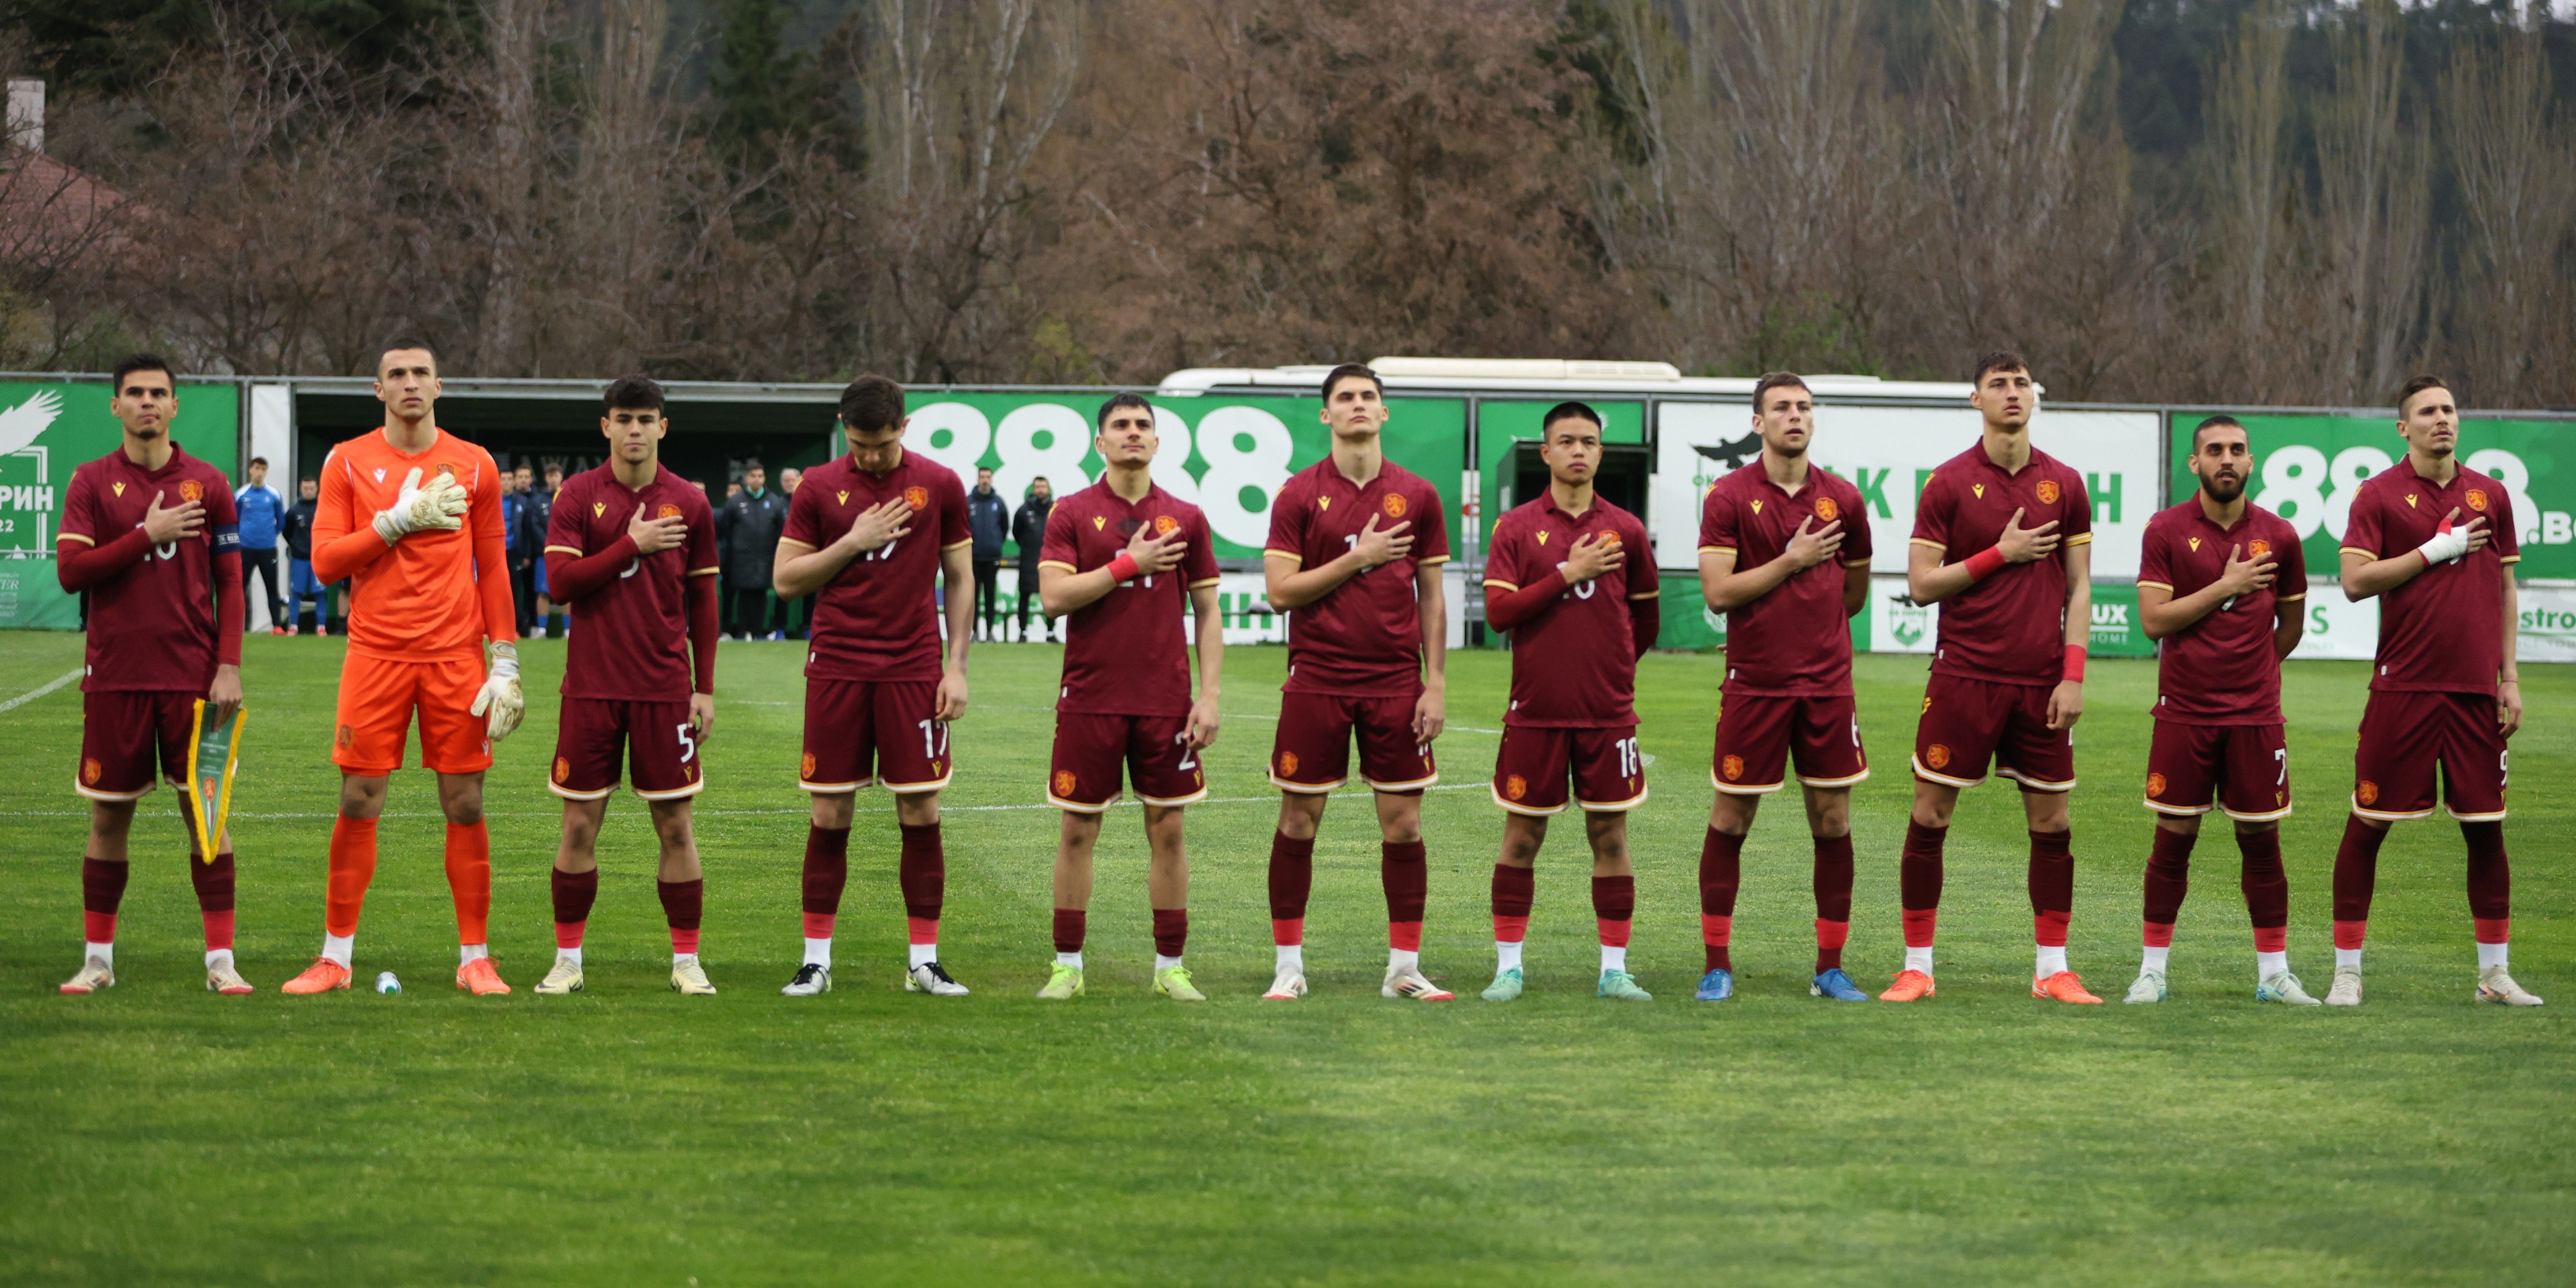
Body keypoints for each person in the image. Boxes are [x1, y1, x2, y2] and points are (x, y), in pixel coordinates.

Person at [279, 340, 525, 996]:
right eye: (397, 374)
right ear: (378, 389)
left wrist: (504, 656)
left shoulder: (476, 464)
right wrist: (393, 523)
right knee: (359, 797)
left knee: (465, 800)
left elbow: (493, 565)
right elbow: (325, 562)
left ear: (439, 386)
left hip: (455, 656)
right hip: (375, 654)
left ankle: (475, 957)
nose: (410, 382)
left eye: (421, 373)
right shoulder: (346, 460)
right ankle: (335, 957)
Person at [1887, 351, 2098, 1004]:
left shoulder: (2065, 483)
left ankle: (2052, 968)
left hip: (2041, 683)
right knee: (1930, 812)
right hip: (1963, 676)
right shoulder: (1947, 483)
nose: (2012, 393)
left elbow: (2079, 587)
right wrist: (1999, 554)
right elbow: (1921, 584)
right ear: (1974, 399)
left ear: (2034, 396)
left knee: (2052, 822)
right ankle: (1916, 966)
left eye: (2021, 383)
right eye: (1997, 384)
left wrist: (2072, 675)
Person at [2328, 376, 2540, 1007]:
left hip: (2474, 692)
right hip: (2403, 688)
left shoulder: (2490, 494)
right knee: (2367, 825)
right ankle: (2346, 972)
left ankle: (2494, 974)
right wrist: (2434, 549)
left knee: (2486, 831)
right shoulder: (2377, 494)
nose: (2441, 418)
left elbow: (2504, 589)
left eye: (2448, 408)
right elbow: (2354, 581)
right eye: (2426, 411)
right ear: (2404, 428)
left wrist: (2508, 677)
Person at [53, 353, 251, 996]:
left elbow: (230, 582)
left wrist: (228, 666)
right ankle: (98, 960)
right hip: (115, 678)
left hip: (194, 681)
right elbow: (71, 573)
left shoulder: (210, 483)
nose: (147, 402)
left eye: (158, 393)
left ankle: (221, 961)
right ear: (115, 405)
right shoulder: (90, 481)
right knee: (109, 820)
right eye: (135, 392)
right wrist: (148, 532)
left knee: (207, 818)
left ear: (174, 406)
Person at [771, 376, 976, 998]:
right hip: (836, 666)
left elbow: (960, 576)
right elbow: (786, 579)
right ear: (844, 428)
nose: (871, 456)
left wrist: (957, 665)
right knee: (830, 812)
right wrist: (853, 541)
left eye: (883, 445)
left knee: (920, 808)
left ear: (903, 428)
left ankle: (924, 961)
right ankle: (815, 961)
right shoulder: (817, 485)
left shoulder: (939, 483)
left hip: (913, 668)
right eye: (859, 444)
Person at [1258, 363, 1453, 1002]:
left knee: (1404, 826)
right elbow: (1280, 591)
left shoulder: (1418, 494)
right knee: (1297, 822)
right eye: (1345, 397)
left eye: (1368, 396)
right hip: (1316, 678)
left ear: (1384, 411)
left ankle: (1403, 969)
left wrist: (1435, 682)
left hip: (1396, 682)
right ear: (1326, 415)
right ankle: (1288, 965)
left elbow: (1431, 596)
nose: (1358, 404)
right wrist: (1357, 557)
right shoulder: (1297, 494)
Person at [535, 377, 724, 997]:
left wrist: (704, 687)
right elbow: (560, 585)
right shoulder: (577, 494)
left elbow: (703, 600)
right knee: (578, 828)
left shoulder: (689, 502)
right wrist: (630, 545)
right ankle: (567, 960)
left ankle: (687, 960)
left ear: (663, 427)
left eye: (646, 419)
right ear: (606, 426)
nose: (635, 429)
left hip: (665, 689)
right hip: (590, 688)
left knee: (675, 827)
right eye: (624, 418)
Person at [1033, 394, 1223, 1001]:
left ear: (1157, 442)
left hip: (1166, 701)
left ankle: (1170, 967)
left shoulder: (1187, 516)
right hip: (1090, 697)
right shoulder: (1070, 512)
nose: (1133, 432)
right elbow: (1054, 598)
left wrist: (1209, 694)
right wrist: (1128, 563)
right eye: (1120, 425)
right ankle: (1067, 965)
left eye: (1143, 425)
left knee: (1168, 831)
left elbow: (1208, 610)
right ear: (1101, 442)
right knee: (1077, 830)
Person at [1695, 373, 1875, 1004]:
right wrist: (1791, 562)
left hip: (1826, 687)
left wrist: (1812, 627)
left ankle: (1829, 968)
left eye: (1802, 407)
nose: (1793, 416)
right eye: (1780, 408)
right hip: (1755, 686)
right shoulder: (1727, 495)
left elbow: (1853, 592)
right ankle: (1716, 965)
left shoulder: (1843, 499)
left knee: (1832, 819)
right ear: (1758, 422)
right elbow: (1717, 592)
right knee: (1730, 817)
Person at [2124, 415, 2314, 1005]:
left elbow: (2290, 626)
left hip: (2255, 716)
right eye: (2213, 450)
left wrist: (2251, 670)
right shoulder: (2164, 529)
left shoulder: (2280, 535)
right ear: (2195, 462)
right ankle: (2151, 972)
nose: (2225, 458)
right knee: (2172, 840)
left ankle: (2274, 974)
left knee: (2261, 842)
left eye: (2236, 449)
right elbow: (2153, 621)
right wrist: (2226, 586)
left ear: (2250, 461)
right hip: (2183, 712)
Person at [1477, 402, 1661, 1002]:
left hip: (1608, 715)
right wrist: (1568, 572)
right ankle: (1509, 967)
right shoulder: (1514, 527)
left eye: (1588, 441)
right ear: (1545, 452)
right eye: (1566, 441)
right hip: (1535, 713)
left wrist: (1611, 670)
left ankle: (1614, 970)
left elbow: (1645, 620)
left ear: (1600, 453)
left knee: (1610, 838)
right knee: (1521, 839)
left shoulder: (1627, 529)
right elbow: (1499, 613)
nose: (1577, 450)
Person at [720, 460, 787, 640]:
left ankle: (758, 632)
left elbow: (780, 530)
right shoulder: (735, 502)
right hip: (742, 558)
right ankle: (743, 632)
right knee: (744, 595)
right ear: (747, 479)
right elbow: (726, 528)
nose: (757, 479)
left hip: (765, 557)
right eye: (753, 476)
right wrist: (738, 546)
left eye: (760, 476)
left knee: (760, 594)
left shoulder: (775, 502)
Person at [234, 455, 288, 635]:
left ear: (266, 472)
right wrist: (243, 537)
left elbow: (281, 521)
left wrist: (270, 536)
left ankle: (277, 627)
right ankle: (236, 626)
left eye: (263, 469)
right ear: (251, 470)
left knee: (272, 588)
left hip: (268, 550)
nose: (260, 473)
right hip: (246, 549)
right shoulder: (241, 495)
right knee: (240, 588)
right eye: (257, 468)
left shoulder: (274, 495)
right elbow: (235, 519)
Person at [967, 466, 1009, 641]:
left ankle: (990, 631)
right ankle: (975, 632)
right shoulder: (969, 502)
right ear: (978, 479)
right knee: (973, 597)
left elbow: (1004, 527)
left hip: (992, 558)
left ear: (991, 480)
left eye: (988, 477)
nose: (985, 480)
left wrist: (996, 544)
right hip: (973, 558)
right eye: (982, 477)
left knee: (990, 596)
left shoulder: (998, 503)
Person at [1012, 476, 1055, 642]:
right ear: (1033, 489)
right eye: (1037, 487)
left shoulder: (1055, 510)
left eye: (1043, 487)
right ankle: (1023, 632)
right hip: (1029, 560)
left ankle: (1050, 633)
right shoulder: (1024, 511)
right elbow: (1017, 533)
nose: (1040, 490)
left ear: (1048, 489)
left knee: (1050, 596)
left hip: (1049, 561)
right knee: (1025, 596)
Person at [284, 477, 325, 634]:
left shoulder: (323, 509)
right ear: (301, 489)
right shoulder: (294, 511)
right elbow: (286, 531)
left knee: (320, 593)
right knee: (296, 592)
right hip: (299, 558)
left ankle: (321, 627)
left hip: (318, 558)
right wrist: (296, 545)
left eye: (311, 489)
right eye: (306, 488)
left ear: (317, 489)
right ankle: (293, 626)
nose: (308, 492)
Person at [530, 463, 564, 636]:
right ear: (546, 478)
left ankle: (568, 630)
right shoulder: (538, 500)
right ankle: (542, 629)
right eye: (550, 476)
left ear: (561, 477)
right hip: (544, 553)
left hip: (566, 552)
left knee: (567, 589)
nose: (553, 479)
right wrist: (549, 544)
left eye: (556, 475)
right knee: (543, 592)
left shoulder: (569, 497)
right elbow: (535, 525)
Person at [501, 463, 531, 635]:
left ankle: (513, 629)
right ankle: (493, 628)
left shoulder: (522, 502)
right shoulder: (492, 500)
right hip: (496, 552)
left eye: (509, 479)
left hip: (515, 552)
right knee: (495, 590)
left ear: (513, 482)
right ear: (498, 482)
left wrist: (527, 555)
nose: (506, 482)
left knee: (514, 590)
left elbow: (527, 530)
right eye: (503, 479)